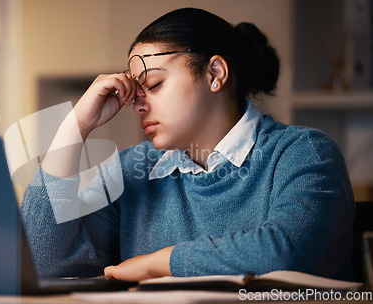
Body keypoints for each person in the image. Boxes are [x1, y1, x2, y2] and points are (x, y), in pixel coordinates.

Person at [20, 7, 355, 282]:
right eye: (136, 91)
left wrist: (160, 263)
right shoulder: (133, 170)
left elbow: (288, 252)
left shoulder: (302, 153)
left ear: (215, 74)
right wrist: (75, 126)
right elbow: (43, 262)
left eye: (153, 83)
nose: (137, 104)